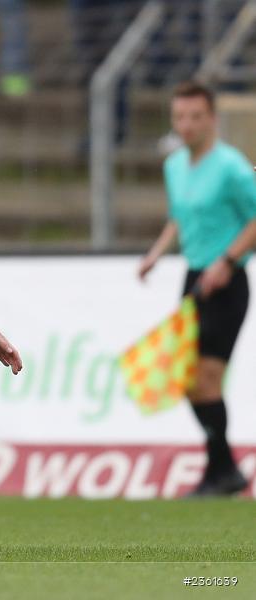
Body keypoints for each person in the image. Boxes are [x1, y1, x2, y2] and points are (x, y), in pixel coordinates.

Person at [138, 81, 256, 497]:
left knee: (205, 378)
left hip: (228, 282)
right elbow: (179, 217)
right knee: (185, 378)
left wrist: (229, 260)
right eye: (179, 117)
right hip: (194, 278)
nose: (186, 125)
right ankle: (224, 469)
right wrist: (155, 253)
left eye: (194, 117)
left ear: (213, 120)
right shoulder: (175, 166)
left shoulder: (232, 167)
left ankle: (221, 470)